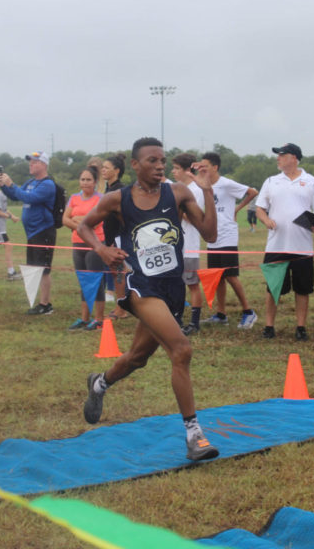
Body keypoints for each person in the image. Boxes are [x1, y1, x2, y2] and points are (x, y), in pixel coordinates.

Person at [77, 137, 220, 461]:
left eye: (162, 161)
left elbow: (210, 234)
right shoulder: (117, 198)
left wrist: (207, 190)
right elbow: (85, 226)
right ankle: (194, 435)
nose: (159, 166)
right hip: (138, 285)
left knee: (137, 358)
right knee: (181, 349)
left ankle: (100, 383)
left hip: (172, 287)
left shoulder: (179, 193)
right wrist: (101, 249)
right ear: (137, 165)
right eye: (152, 161)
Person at [256, 143, 314, 340]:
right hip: (276, 244)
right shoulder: (271, 181)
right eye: (278, 155)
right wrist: (266, 220)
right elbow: (260, 208)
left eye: (282, 155)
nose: (278, 158)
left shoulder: (312, 182)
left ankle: (301, 327)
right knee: (273, 287)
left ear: (294, 158)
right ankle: (269, 326)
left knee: (302, 288)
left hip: (302, 246)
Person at [196, 151, 259, 329]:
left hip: (227, 236)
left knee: (231, 276)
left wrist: (237, 209)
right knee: (217, 277)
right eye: (201, 166)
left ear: (215, 167)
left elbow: (252, 192)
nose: (202, 169)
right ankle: (220, 313)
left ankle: (248, 311)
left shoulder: (226, 184)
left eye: (205, 166)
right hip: (212, 237)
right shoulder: (204, 186)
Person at [0, 151, 57, 315]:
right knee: (34, 266)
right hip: (32, 233)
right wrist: (4, 185)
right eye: (30, 162)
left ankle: (46, 304)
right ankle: (39, 302)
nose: (31, 164)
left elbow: (28, 198)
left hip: (43, 231)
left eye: (35, 162)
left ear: (44, 165)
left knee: (44, 269)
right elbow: (16, 196)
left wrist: (12, 185)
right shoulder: (31, 182)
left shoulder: (47, 184)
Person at [63, 166, 106, 330]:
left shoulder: (100, 199)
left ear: (95, 182)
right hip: (77, 244)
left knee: (95, 281)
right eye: (83, 179)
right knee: (83, 282)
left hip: (95, 244)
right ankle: (84, 318)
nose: (85, 182)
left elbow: (96, 221)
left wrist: (77, 220)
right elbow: (65, 219)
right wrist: (81, 223)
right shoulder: (74, 198)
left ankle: (99, 319)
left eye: (89, 180)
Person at [170, 153, 205, 335]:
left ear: (187, 170)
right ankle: (177, 318)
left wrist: (175, 211)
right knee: (176, 284)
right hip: (176, 246)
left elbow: (196, 219)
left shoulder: (196, 191)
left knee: (192, 284)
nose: (173, 172)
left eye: (176, 168)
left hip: (189, 246)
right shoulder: (179, 189)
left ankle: (194, 321)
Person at [101, 153, 128, 316]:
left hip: (118, 238)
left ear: (116, 170)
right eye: (102, 167)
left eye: (106, 168)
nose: (103, 170)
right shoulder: (108, 188)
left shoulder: (119, 190)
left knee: (119, 272)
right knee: (115, 272)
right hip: (110, 237)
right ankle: (122, 304)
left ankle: (122, 307)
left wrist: (115, 240)